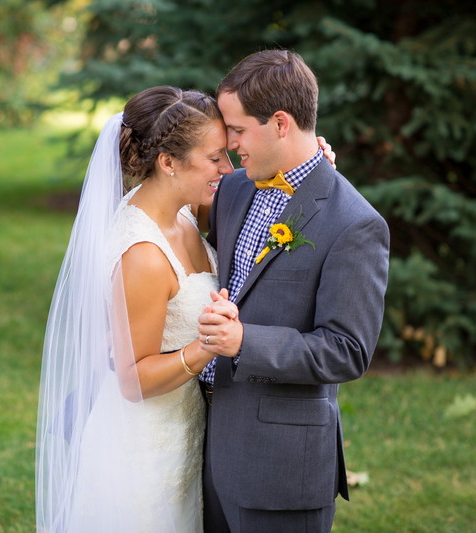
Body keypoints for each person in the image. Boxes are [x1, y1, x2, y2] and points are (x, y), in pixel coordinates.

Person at [196, 49, 390, 532]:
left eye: (237, 131)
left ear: (281, 123)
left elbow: (347, 351)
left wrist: (245, 343)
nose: (229, 143)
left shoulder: (355, 224)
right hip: (207, 454)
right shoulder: (235, 190)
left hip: (281, 471)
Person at [36, 86, 234, 532]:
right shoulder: (143, 253)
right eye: (216, 157)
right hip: (144, 449)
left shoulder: (180, 212)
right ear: (168, 163)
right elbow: (132, 378)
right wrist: (206, 348)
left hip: (183, 433)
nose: (229, 168)